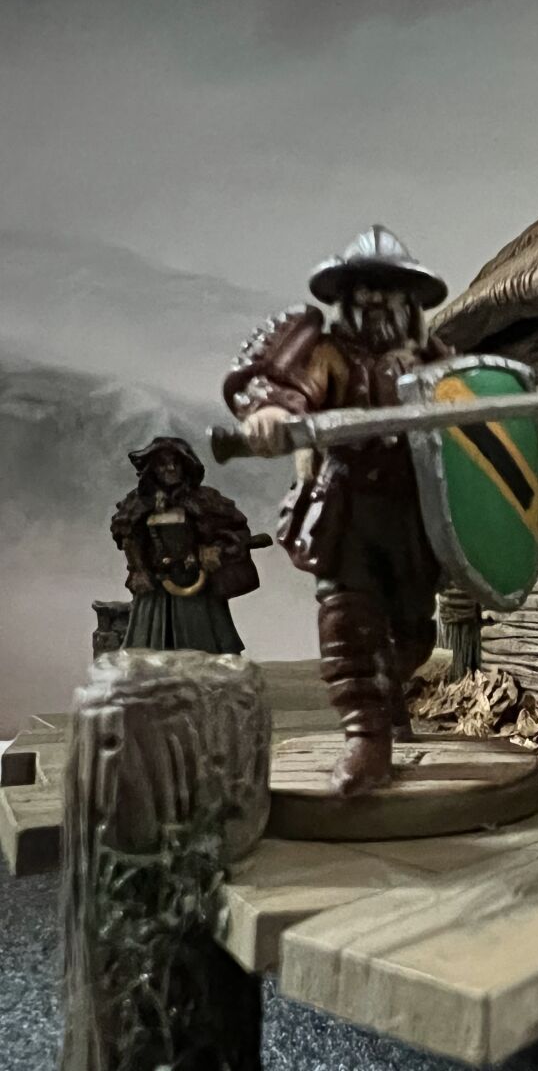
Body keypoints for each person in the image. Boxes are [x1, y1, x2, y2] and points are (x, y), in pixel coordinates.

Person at [223, 225, 451, 795]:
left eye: (387, 287)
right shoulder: (324, 351)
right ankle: (366, 735)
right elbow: (284, 387)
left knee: (413, 632)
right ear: (346, 295)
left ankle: (389, 696)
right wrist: (274, 413)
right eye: (364, 287)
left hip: (415, 509)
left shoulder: (434, 359)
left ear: (409, 299)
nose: (375, 299)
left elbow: (473, 409)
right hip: (345, 504)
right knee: (348, 620)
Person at [111, 437, 259, 654]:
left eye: (175, 462)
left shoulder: (205, 500)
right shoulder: (138, 503)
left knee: (208, 652)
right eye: (162, 463)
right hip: (155, 587)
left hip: (196, 585)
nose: (170, 468)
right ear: (153, 469)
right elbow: (127, 536)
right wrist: (138, 570)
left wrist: (215, 549)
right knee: (146, 653)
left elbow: (237, 530)